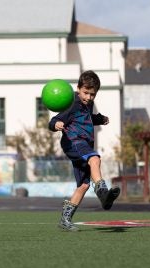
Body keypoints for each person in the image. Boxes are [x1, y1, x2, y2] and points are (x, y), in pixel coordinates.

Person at [48, 70, 120, 231]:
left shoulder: (87, 104)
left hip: (82, 145)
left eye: (92, 94)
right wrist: (56, 124)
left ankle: (65, 220)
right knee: (95, 159)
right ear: (78, 88)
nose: (88, 97)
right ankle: (102, 192)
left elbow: (85, 118)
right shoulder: (72, 102)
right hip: (74, 142)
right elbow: (53, 121)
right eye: (85, 93)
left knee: (83, 186)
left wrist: (99, 119)